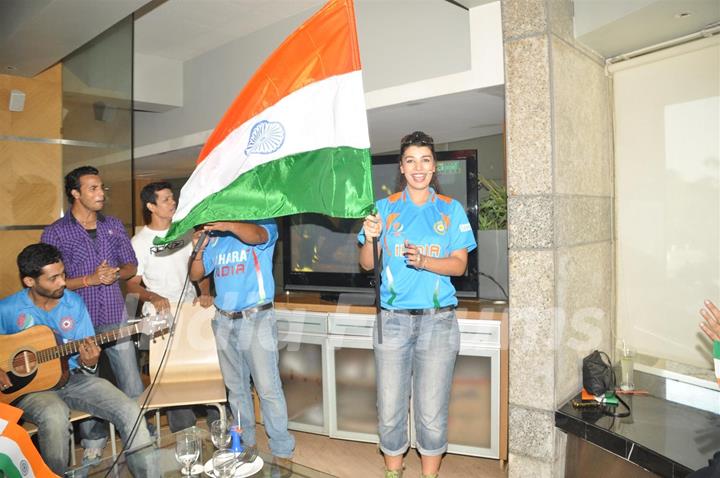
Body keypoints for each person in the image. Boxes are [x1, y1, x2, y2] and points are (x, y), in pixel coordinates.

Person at [359, 131, 477, 478]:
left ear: (434, 166)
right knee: (391, 408)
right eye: (410, 160)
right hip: (392, 321)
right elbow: (368, 263)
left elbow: (460, 265)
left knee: (430, 410)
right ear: (401, 167)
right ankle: (393, 472)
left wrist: (424, 261)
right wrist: (370, 237)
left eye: (425, 160)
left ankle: (429, 475)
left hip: (437, 323)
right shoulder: (384, 209)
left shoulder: (450, 209)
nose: (418, 167)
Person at [0, 243, 158, 476]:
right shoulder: (7, 308)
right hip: (29, 390)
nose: (63, 282)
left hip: (73, 378)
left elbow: (87, 359)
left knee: (130, 410)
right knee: (54, 416)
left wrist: (90, 362)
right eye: (53, 278)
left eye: (63, 274)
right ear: (30, 281)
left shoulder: (73, 303)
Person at [41, 166, 144, 462]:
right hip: (75, 321)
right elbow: (49, 282)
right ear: (75, 193)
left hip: (114, 311)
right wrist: (90, 279)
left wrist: (115, 273)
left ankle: (138, 434)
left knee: (131, 378)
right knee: (88, 383)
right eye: (93, 189)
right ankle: (94, 441)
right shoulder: (56, 232)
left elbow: (131, 266)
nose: (101, 194)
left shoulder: (113, 225)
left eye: (102, 188)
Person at [189, 220, 295, 468]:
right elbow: (196, 274)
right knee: (235, 390)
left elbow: (257, 236)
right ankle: (245, 444)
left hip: (256, 319)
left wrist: (228, 224)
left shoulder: (264, 225)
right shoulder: (215, 238)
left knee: (267, 388)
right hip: (224, 320)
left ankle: (282, 449)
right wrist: (199, 249)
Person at [127, 181, 219, 432]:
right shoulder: (139, 242)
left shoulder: (186, 231)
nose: (173, 202)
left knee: (208, 367)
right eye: (166, 199)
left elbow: (201, 268)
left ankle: (218, 425)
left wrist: (206, 293)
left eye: (172, 198)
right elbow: (132, 285)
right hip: (160, 316)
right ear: (151, 206)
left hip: (192, 311)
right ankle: (184, 434)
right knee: (172, 376)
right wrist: (153, 297)